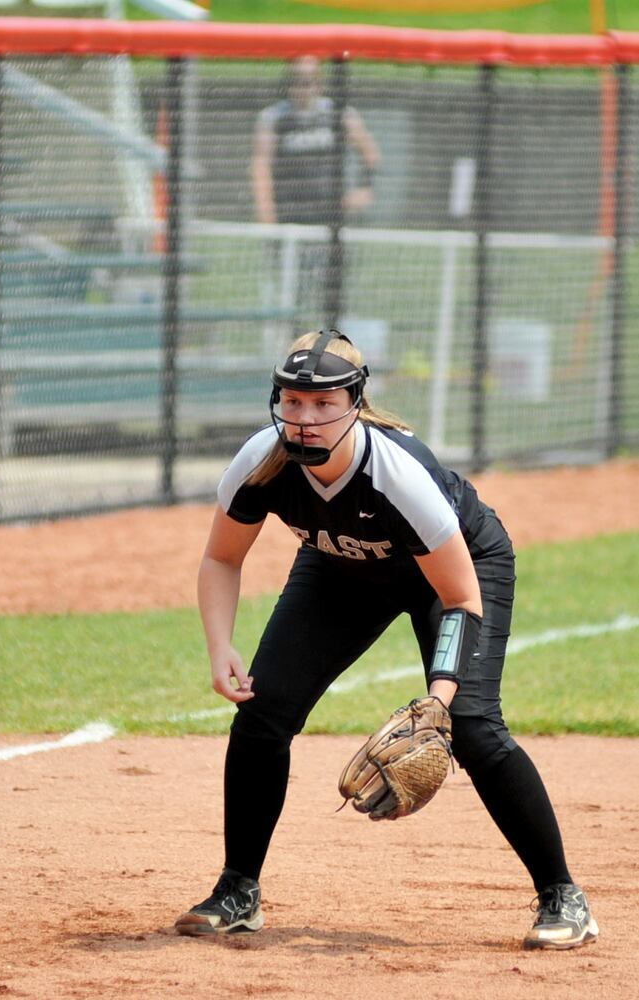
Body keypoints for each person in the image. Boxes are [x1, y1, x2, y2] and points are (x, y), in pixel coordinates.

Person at [175, 330, 598, 951]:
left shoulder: (394, 471)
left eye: (324, 403)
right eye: (293, 402)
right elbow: (221, 558)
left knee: (476, 728)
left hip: (455, 572)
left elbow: (459, 596)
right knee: (262, 714)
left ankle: (564, 896)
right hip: (340, 567)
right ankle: (238, 891)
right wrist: (221, 646)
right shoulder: (262, 462)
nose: (306, 418)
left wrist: (440, 699)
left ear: (355, 402)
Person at [250, 56, 381, 322]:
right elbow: (260, 165)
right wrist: (267, 214)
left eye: (308, 82)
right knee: (290, 296)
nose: (302, 88)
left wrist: (364, 189)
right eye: (296, 82)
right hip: (291, 222)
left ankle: (331, 354)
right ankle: (292, 355)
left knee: (332, 297)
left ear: (319, 85)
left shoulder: (339, 115)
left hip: (330, 222)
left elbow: (370, 154)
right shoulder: (275, 118)